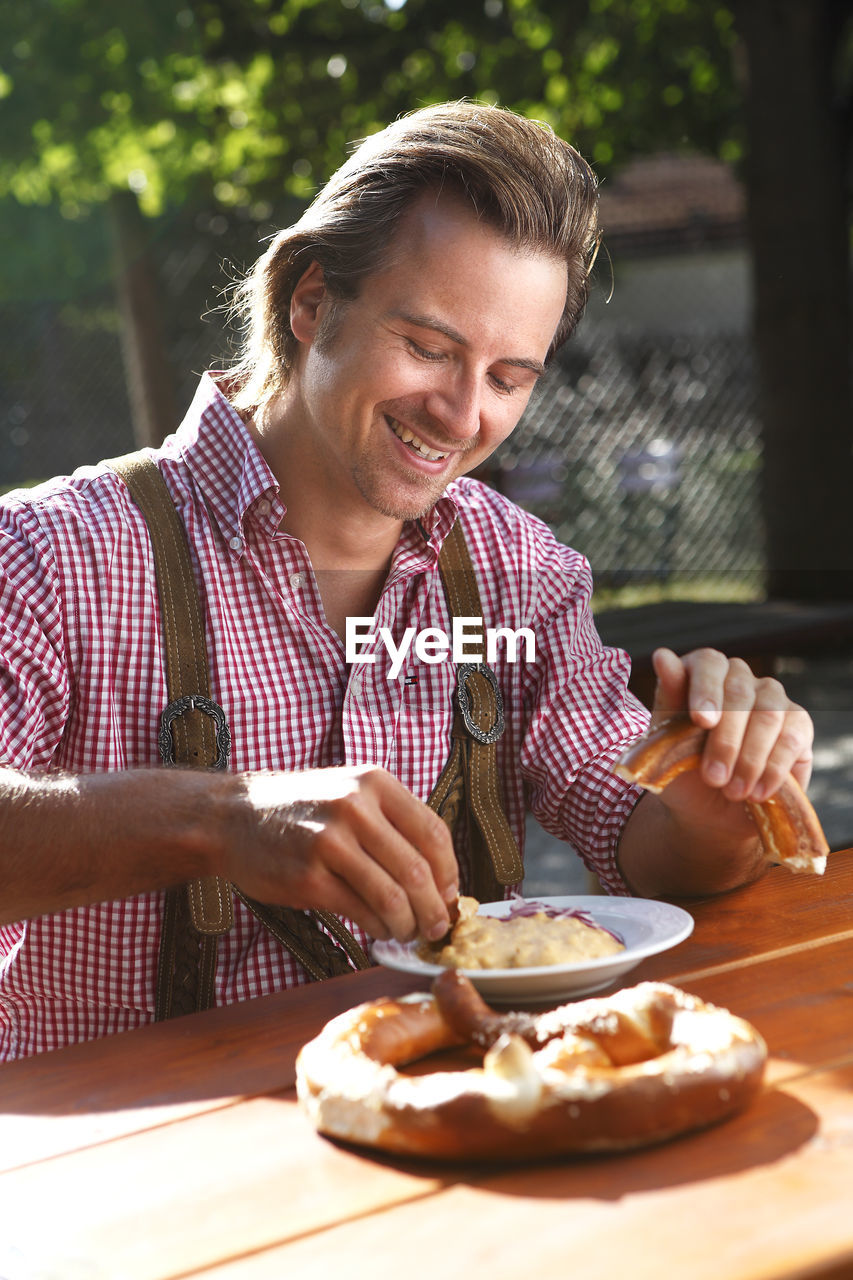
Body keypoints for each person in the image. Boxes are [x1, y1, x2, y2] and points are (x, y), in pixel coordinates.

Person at [0, 101, 814, 1059]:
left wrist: (717, 806)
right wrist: (218, 818)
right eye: (427, 347)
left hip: (457, 1125)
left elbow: (651, 852)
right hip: (133, 1168)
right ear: (310, 304)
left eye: (509, 376)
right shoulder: (51, 555)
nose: (463, 413)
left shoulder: (521, 575)